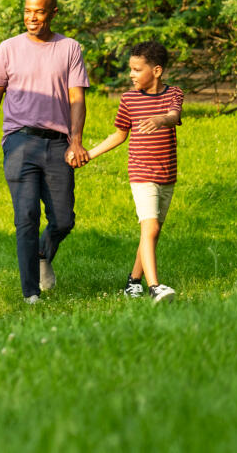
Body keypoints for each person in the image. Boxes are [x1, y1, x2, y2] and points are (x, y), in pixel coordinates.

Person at [0, 0, 90, 303]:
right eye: (27, 10)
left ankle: (40, 254)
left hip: (57, 143)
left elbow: (77, 99)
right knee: (26, 217)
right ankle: (30, 293)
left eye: (38, 11)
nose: (31, 17)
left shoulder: (69, 48)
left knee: (63, 219)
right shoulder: (8, 49)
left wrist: (75, 141)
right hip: (19, 141)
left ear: (53, 13)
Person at [80, 41, 182, 303]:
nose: (132, 74)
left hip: (167, 173)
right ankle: (154, 287)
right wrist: (89, 154)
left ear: (156, 71)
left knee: (153, 230)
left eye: (137, 69)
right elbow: (119, 134)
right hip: (141, 173)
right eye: (131, 69)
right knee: (149, 228)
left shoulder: (174, 94)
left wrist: (161, 119)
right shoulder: (129, 99)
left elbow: (173, 115)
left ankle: (133, 281)